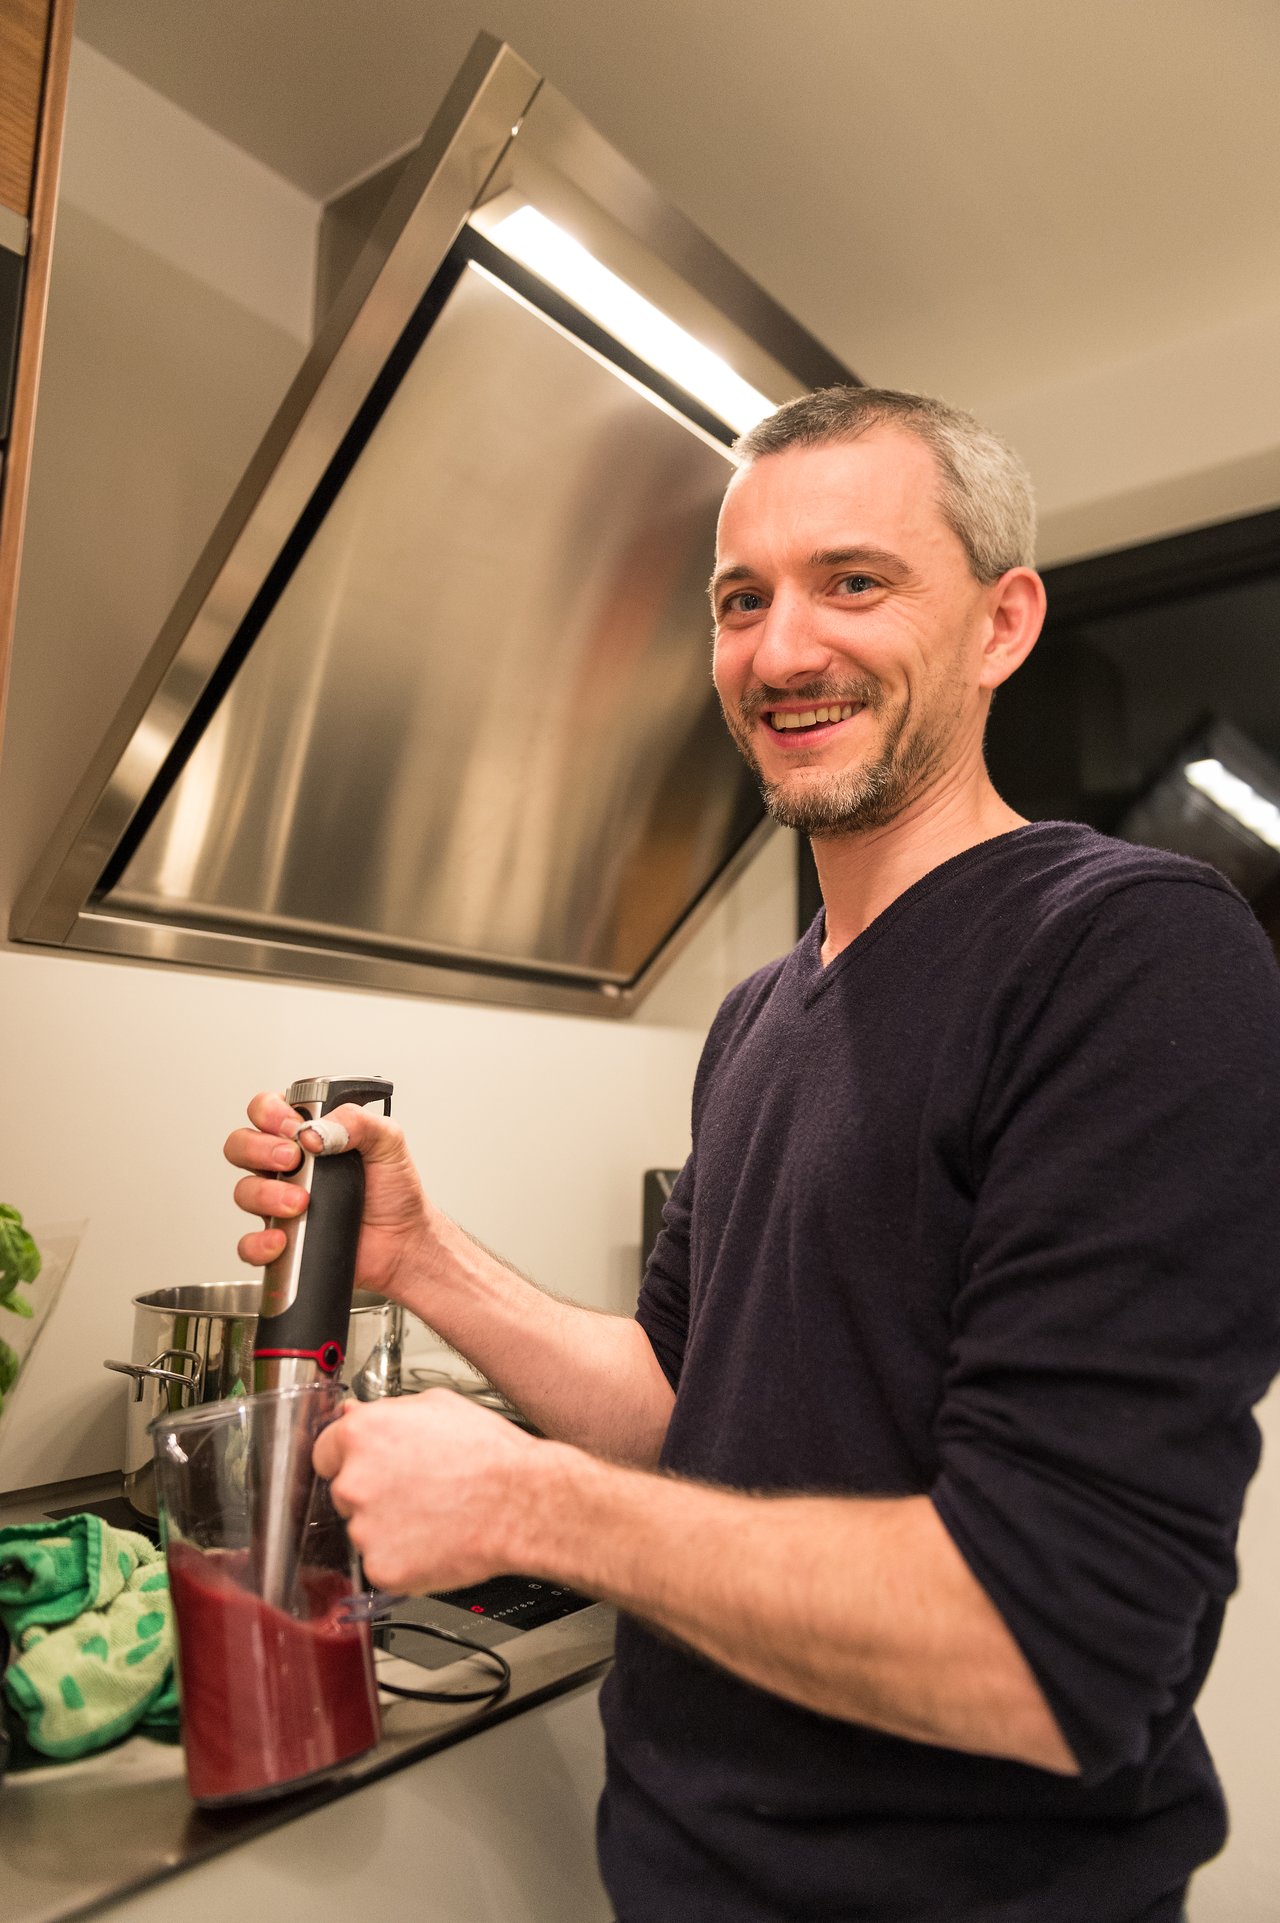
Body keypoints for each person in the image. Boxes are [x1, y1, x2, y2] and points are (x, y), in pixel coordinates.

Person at [226, 387, 1280, 1923]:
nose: (783, 651)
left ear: (1001, 623)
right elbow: (679, 1408)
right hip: (679, 1872)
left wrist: (530, 1505)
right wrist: (419, 1259)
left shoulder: (1130, 955)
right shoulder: (759, 1017)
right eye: (742, 599)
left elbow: (1060, 1645)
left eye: (854, 582)